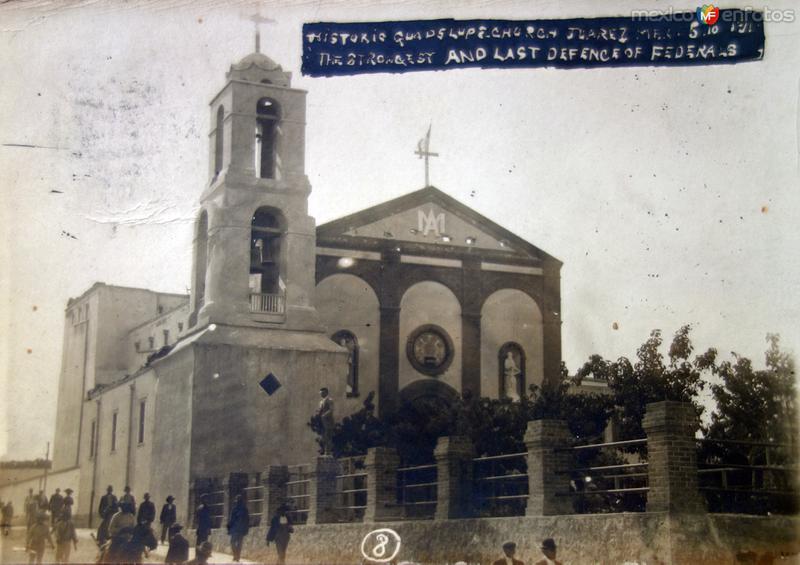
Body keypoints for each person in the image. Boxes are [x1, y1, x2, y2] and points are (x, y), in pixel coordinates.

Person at [227, 494, 250, 562]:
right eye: (237, 501)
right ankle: (236, 555)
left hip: (238, 530)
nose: (237, 502)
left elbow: (247, 520)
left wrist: (246, 529)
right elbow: (231, 519)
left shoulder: (242, 509)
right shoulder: (236, 509)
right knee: (235, 543)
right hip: (237, 529)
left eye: (238, 500)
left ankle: (236, 556)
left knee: (236, 543)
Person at [317, 387, 335, 455]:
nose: (321, 394)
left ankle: (328, 452)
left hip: (328, 422)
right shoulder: (321, 401)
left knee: (328, 437)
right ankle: (324, 451)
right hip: (322, 422)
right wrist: (318, 413)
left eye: (322, 393)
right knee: (323, 437)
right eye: (320, 393)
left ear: (326, 393)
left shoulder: (329, 400)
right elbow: (320, 410)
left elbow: (331, 410)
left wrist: (324, 415)